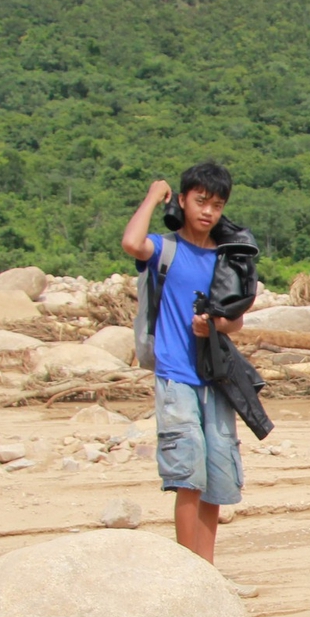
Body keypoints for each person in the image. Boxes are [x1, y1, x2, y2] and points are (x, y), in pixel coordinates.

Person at [121, 162, 246, 562]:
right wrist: (152, 195)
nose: (208, 211)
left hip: (215, 377)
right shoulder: (165, 248)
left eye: (217, 204)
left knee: (217, 476)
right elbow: (130, 242)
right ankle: (187, 567)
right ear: (183, 199)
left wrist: (215, 326)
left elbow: (236, 320)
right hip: (176, 374)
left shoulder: (226, 258)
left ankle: (206, 570)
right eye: (201, 201)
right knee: (188, 474)